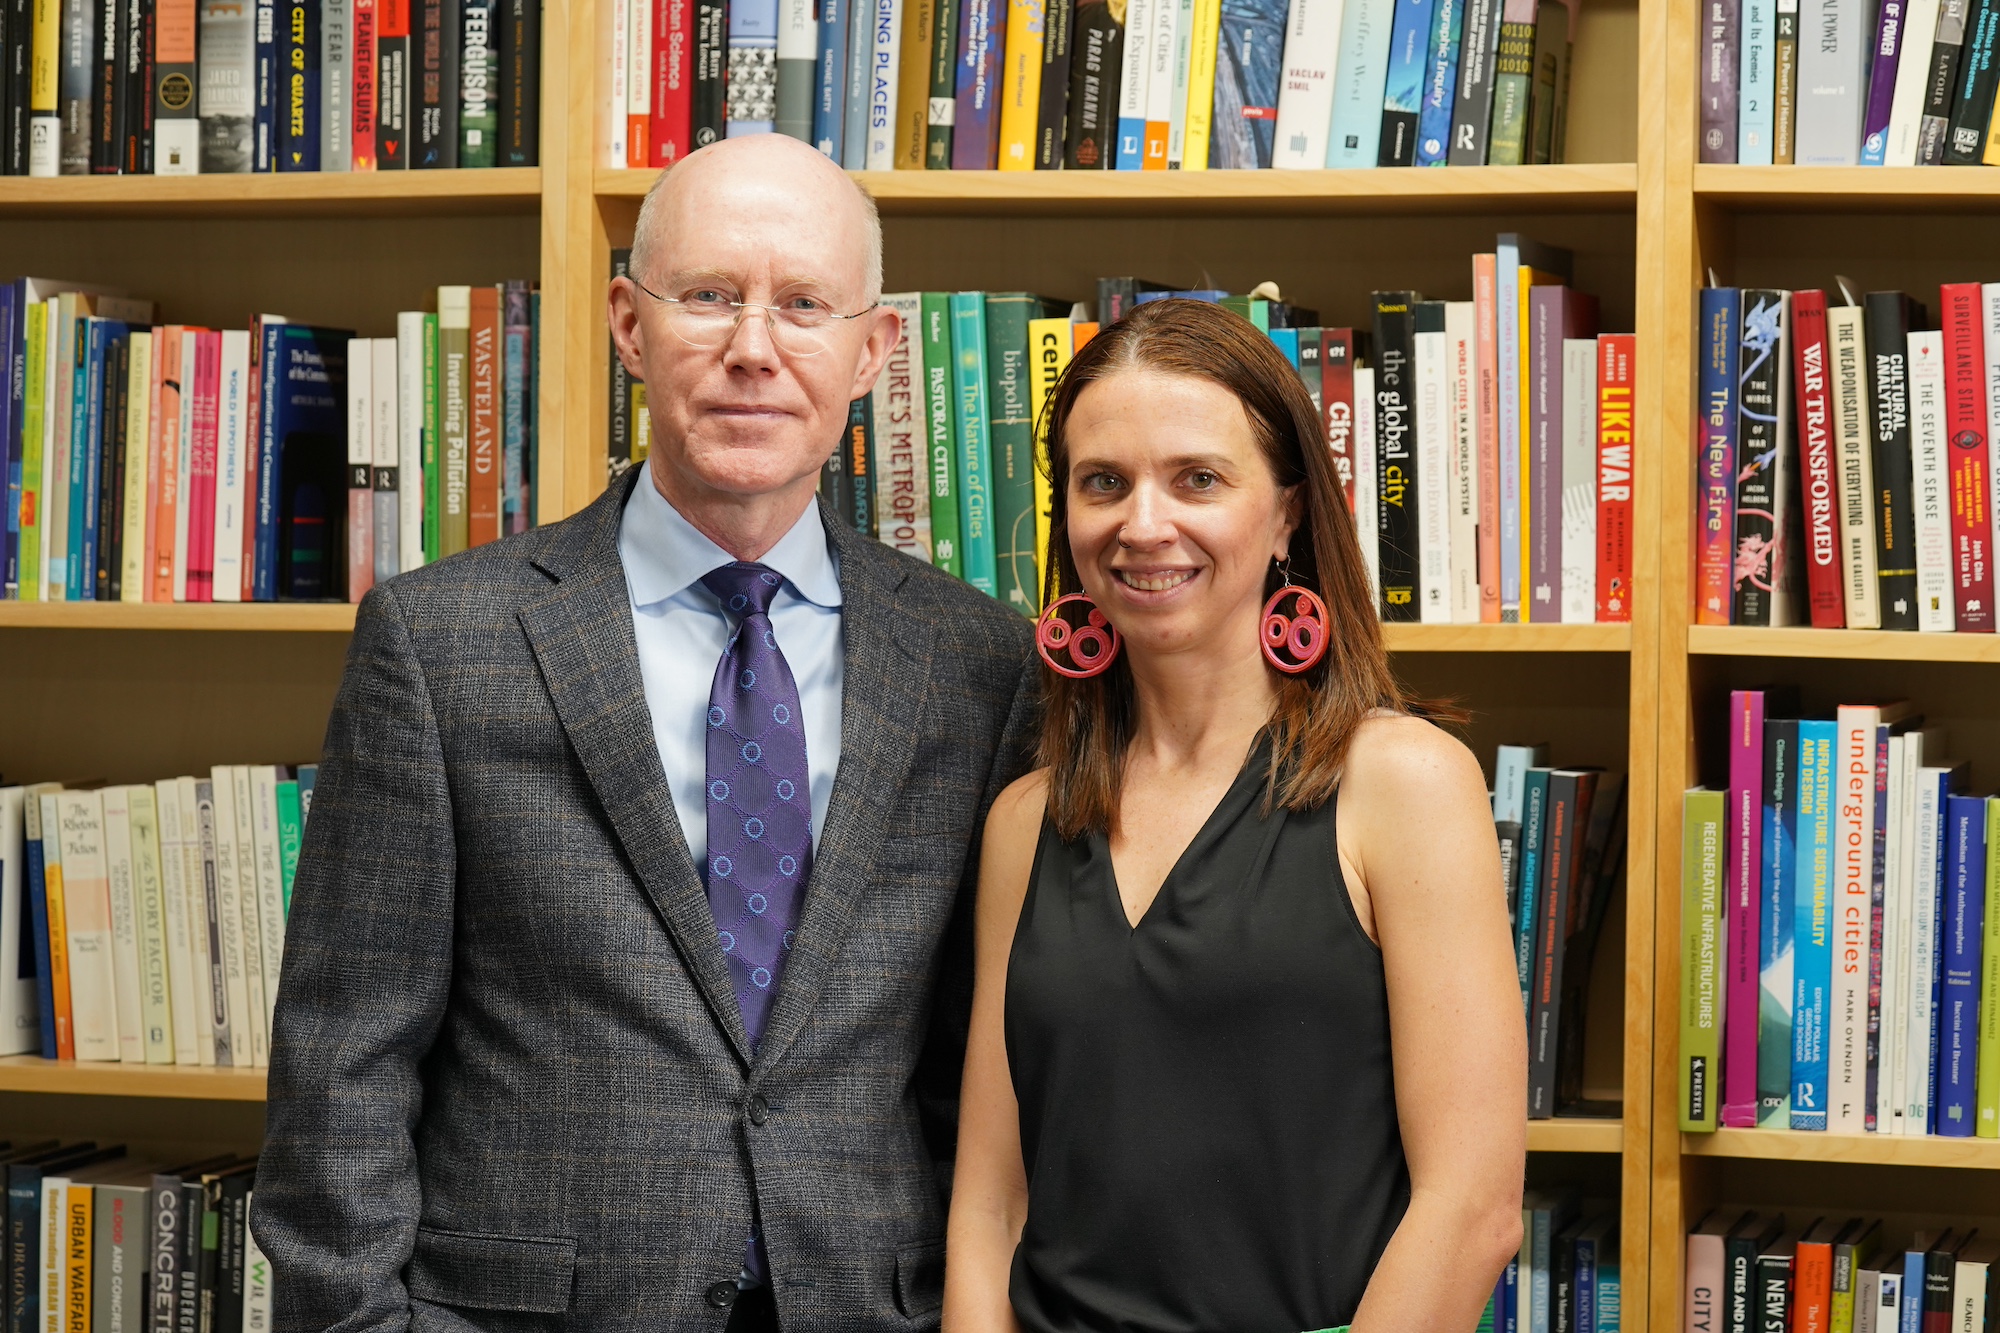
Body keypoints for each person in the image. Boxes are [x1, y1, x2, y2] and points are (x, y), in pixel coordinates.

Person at [254, 135, 1039, 1333]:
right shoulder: (439, 642)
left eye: (804, 306)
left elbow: (975, 1066)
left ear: (875, 350)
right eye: (709, 297)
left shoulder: (978, 664)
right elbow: (341, 1062)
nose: (753, 350)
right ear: (628, 324)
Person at [943, 298, 1527, 1333]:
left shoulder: (1403, 784)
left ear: (1288, 512)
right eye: (1102, 483)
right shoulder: (1023, 823)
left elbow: (1471, 1208)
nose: (1142, 524)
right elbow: (991, 1203)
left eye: (1196, 479)